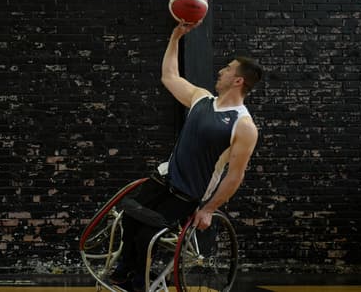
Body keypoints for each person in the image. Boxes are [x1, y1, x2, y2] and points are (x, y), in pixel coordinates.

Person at [112, 22, 263, 291]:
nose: (221, 71)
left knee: (147, 236)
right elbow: (169, 76)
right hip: (164, 178)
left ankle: (138, 283)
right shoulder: (201, 99)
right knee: (129, 218)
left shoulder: (244, 125)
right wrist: (175, 37)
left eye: (228, 68)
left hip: (188, 194)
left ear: (238, 80)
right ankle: (126, 270)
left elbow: (235, 175)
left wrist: (209, 209)